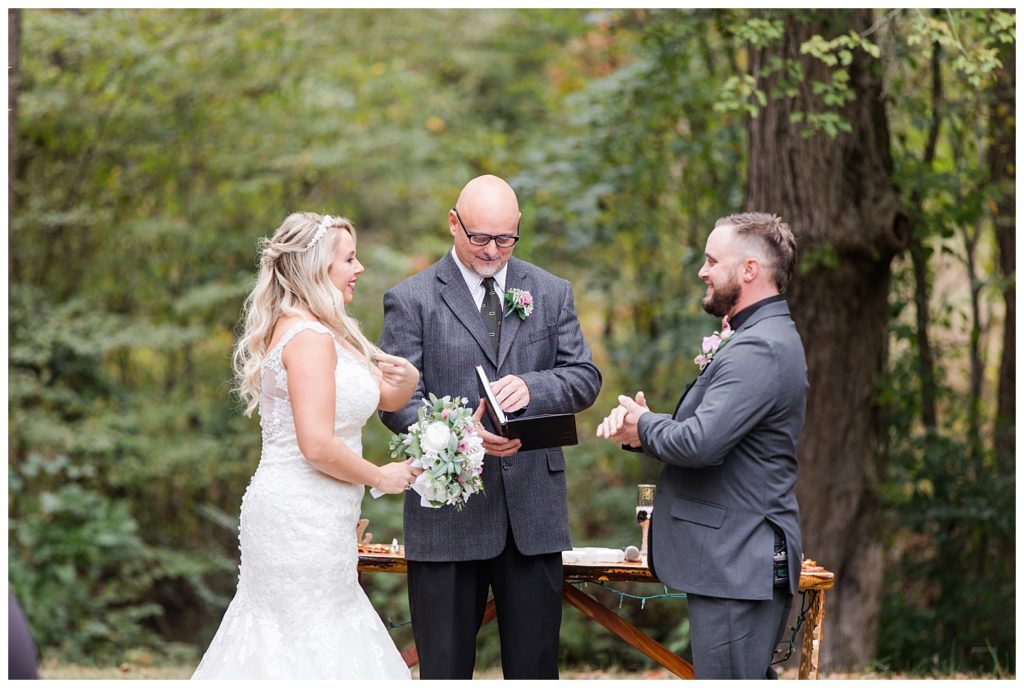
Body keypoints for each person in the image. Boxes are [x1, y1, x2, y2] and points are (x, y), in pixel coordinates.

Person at [379, 175, 602, 679]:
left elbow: (585, 378)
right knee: (446, 669)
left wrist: (534, 387)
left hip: (533, 515)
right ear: (454, 224)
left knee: (534, 669)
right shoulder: (410, 299)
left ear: (518, 228)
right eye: (479, 237)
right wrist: (460, 435)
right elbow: (395, 403)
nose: (492, 250)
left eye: (505, 239)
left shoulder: (550, 291)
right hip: (447, 514)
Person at [193, 212, 421, 679]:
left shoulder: (328, 331)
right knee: (302, 643)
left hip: (322, 515)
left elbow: (383, 396)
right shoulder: (311, 338)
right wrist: (382, 476)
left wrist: (411, 380)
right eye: (349, 259)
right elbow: (316, 445)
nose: (359, 269)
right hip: (298, 516)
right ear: (318, 266)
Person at [596, 212, 807, 680]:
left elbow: (700, 444)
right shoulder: (757, 337)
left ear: (749, 270)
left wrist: (645, 422)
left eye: (713, 260)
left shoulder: (761, 348)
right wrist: (642, 432)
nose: (702, 270)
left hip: (740, 560)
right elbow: (716, 436)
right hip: (732, 562)